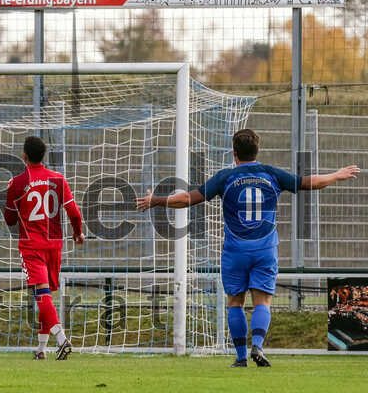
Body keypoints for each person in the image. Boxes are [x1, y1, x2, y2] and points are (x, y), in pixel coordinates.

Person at [137, 128, 358, 367]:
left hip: (235, 251)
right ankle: (258, 346)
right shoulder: (271, 174)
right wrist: (336, 174)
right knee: (262, 302)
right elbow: (309, 182)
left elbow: (189, 198)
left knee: (235, 303)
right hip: (264, 250)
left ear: (234, 153)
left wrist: (156, 200)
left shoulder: (225, 178)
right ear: (257, 151)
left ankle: (241, 358)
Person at [4, 136, 83, 360]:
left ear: (24, 155)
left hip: (31, 246)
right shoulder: (58, 179)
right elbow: (75, 213)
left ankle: (61, 339)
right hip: (55, 246)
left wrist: (15, 202)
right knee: (44, 295)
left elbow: (9, 220)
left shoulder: (17, 183)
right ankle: (41, 349)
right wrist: (77, 233)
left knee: (41, 295)